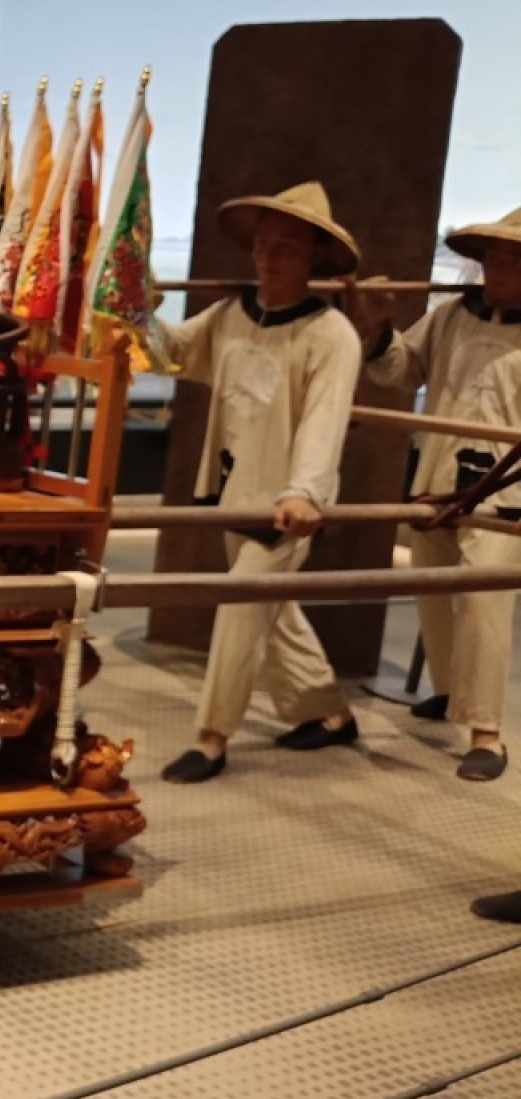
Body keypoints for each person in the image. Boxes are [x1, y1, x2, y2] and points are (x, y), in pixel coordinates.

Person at [159, 182, 362, 784]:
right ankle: (329, 712)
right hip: (233, 487)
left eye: (287, 248)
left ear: (314, 256)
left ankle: (211, 737)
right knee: (272, 608)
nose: (269, 258)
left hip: (285, 501)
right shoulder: (230, 315)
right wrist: (134, 310)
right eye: (262, 245)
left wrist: (304, 492)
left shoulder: (331, 334)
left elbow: (325, 422)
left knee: (241, 604)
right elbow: (172, 352)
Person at [350, 206, 521, 783]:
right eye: (492, 256)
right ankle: (450, 691)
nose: (497, 268)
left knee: (483, 608)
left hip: (505, 495)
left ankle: (486, 733)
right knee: (432, 592)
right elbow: (400, 370)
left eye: (512, 258)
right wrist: (378, 326)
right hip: (438, 481)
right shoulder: (450, 315)